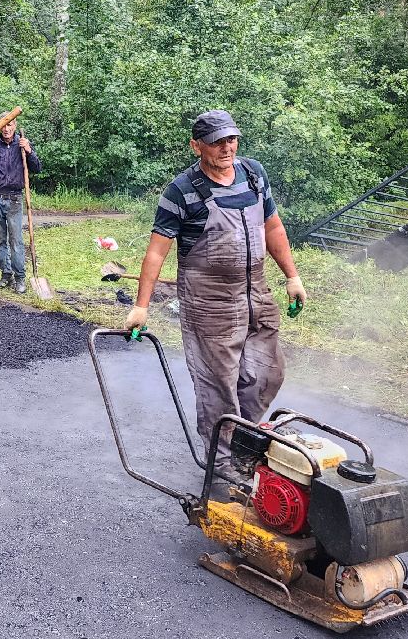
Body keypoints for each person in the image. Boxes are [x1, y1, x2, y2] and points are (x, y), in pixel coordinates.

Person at [123, 110, 306, 466]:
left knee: (267, 373)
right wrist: (141, 306)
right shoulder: (182, 191)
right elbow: (156, 252)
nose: (227, 148)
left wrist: (292, 276)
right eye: (216, 142)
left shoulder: (253, 174)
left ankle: (244, 444)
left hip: (256, 294)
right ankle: (219, 463)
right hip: (209, 303)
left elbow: (273, 228)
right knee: (218, 387)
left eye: (231, 139)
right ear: (197, 146)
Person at [0, 116, 40, 293]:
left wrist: (29, 150)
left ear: (15, 125)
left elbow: (37, 168)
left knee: (16, 241)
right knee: (0, 241)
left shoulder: (22, 143)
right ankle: (6, 275)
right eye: (3, 126)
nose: (6, 129)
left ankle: (20, 278)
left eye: (9, 125)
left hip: (15, 199)